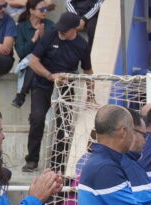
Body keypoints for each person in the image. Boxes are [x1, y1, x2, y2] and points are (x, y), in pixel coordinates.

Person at [23, 12, 92, 173]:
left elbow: (88, 70)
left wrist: (91, 94)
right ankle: (32, 159)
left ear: (74, 29)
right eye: (60, 29)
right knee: (37, 118)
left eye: (65, 30)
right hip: (43, 83)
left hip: (66, 86)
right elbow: (33, 61)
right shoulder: (50, 35)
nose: (61, 32)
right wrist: (49, 75)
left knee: (64, 125)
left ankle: (57, 163)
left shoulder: (81, 45)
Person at [10, 0, 53, 109]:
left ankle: (21, 95)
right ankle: (22, 97)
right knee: (32, 61)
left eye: (46, 9)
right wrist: (34, 39)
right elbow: (21, 53)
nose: (45, 11)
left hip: (47, 62)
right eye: (41, 9)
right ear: (32, 11)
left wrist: (42, 37)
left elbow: (51, 50)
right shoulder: (21, 27)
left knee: (34, 61)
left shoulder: (50, 25)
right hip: (27, 63)